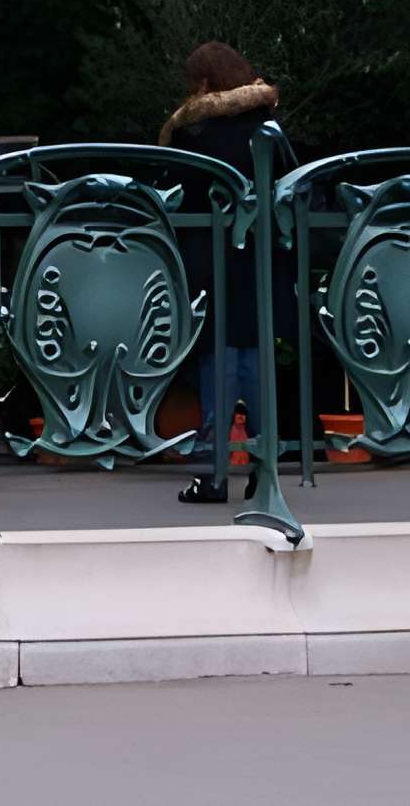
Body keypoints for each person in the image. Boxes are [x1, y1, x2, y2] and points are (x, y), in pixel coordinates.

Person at [158, 41, 283, 505]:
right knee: (255, 363)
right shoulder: (269, 127)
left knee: (218, 362)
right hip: (261, 258)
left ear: (205, 83)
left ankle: (213, 475)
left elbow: (175, 196)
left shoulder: (196, 132)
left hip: (211, 258)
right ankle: (263, 470)